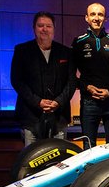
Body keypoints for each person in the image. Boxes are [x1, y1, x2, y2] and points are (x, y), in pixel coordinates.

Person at [10, 11, 75, 146]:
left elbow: (72, 82)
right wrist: (38, 102)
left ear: (54, 29)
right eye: (40, 25)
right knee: (32, 161)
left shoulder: (66, 52)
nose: (44, 29)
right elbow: (17, 80)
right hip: (31, 116)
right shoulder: (22, 50)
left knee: (59, 161)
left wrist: (58, 102)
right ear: (34, 28)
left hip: (59, 116)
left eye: (48, 26)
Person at [72, 3, 109, 147]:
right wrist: (87, 87)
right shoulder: (78, 42)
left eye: (100, 14)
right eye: (93, 14)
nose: (96, 18)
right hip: (89, 102)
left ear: (105, 18)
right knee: (88, 146)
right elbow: (70, 75)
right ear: (86, 18)